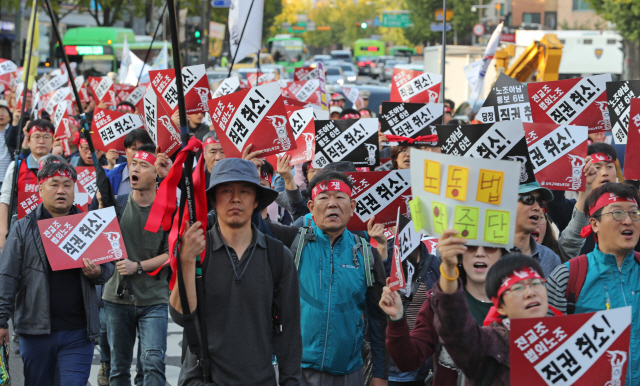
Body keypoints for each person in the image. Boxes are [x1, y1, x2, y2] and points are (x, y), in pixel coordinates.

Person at [171, 158, 302, 386]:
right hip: (202, 378)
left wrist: (291, 381)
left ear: (256, 201)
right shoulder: (198, 251)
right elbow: (182, 316)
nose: (235, 199)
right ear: (212, 199)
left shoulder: (278, 256)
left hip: (260, 379)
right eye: (226, 191)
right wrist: (186, 260)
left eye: (244, 191)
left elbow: (289, 333)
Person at [0, 162, 114, 386]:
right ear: (41, 189)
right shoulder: (23, 229)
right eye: (54, 184)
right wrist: (1, 320)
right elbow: (7, 276)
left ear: (75, 190)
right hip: (35, 331)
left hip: (79, 331)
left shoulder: (88, 224)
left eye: (67, 185)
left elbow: (108, 267)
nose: (61, 190)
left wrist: (97, 271)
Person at [292, 169, 389, 386]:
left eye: (340, 197)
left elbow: (378, 319)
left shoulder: (367, 255)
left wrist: (380, 373)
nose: (332, 204)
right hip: (295, 371)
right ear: (311, 207)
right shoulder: (294, 244)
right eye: (324, 198)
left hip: (347, 372)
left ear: (352, 207)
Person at [383, 230, 506, 385]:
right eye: (471, 246)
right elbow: (408, 360)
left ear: (502, 253)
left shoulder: (519, 303)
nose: (480, 253)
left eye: (490, 247)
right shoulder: (438, 302)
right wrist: (397, 318)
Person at [546, 182, 640, 385]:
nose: (628, 221)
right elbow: (548, 354)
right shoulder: (567, 277)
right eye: (617, 213)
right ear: (594, 224)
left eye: (634, 213)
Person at [99, 145, 170, 386]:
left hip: (154, 299)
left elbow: (172, 253)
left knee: (152, 363)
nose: (135, 169)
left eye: (143, 165)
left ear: (156, 174)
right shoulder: (117, 204)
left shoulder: (168, 209)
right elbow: (100, 243)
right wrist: (100, 210)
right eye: (133, 165)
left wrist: (137, 266)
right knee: (118, 369)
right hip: (117, 299)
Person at [0, 119, 55, 251]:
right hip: (21, 233)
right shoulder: (16, 167)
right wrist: (2, 233)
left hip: (53, 233)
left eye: (46, 137)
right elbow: (5, 200)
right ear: (28, 141)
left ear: (53, 141)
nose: (41, 141)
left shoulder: (63, 169)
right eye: (36, 136)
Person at [510, 181, 561, 277]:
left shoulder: (551, 258)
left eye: (541, 202)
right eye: (528, 199)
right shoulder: (488, 253)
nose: (537, 208)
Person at [0, 106, 13, 191]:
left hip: (7, 175)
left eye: (4, 112)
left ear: (9, 117)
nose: (1, 114)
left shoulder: (14, 131)